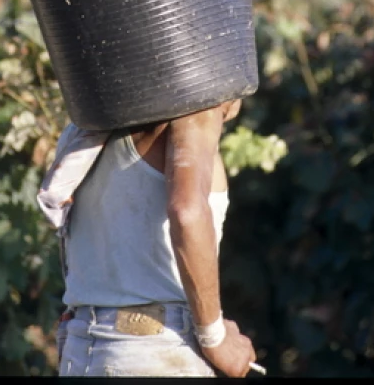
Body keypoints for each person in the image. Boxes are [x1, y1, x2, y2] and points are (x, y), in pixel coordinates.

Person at [38, 99, 257, 377]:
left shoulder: (86, 128)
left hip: (82, 349)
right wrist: (216, 337)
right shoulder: (197, 112)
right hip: (153, 350)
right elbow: (187, 212)